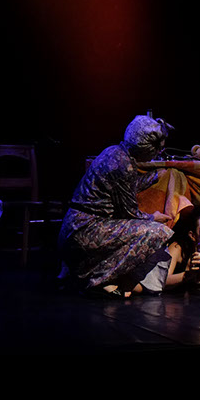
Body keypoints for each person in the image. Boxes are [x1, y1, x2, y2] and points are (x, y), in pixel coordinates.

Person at [58, 114, 175, 299]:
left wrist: (155, 177)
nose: (158, 153)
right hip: (84, 231)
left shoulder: (114, 152)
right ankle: (95, 280)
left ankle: (94, 279)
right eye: (157, 149)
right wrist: (154, 217)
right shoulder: (123, 165)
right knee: (157, 232)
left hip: (75, 228)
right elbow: (130, 213)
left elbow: (125, 187)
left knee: (152, 229)